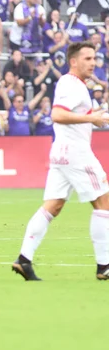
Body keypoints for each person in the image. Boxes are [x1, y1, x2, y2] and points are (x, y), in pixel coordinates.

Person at [11, 42, 109, 281]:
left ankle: (24, 259)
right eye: (87, 58)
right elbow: (57, 114)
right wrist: (91, 118)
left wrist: (94, 117)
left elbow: (74, 116)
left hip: (62, 153)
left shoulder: (77, 86)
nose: (93, 62)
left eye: (94, 58)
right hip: (76, 153)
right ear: (73, 61)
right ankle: (104, 265)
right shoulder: (70, 83)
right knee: (104, 204)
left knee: (52, 206)